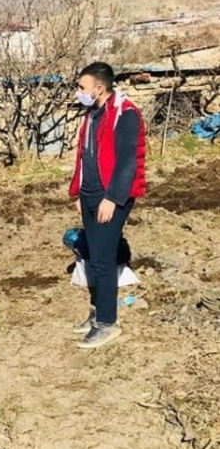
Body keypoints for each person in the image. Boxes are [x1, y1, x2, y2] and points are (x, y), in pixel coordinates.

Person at [69, 62, 146, 349]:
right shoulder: (93, 114)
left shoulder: (125, 115)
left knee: (102, 259)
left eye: (82, 87)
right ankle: (97, 313)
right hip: (90, 195)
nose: (79, 92)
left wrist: (112, 199)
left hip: (110, 198)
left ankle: (107, 323)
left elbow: (128, 162)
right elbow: (84, 156)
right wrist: (80, 193)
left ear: (99, 88)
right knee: (94, 256)